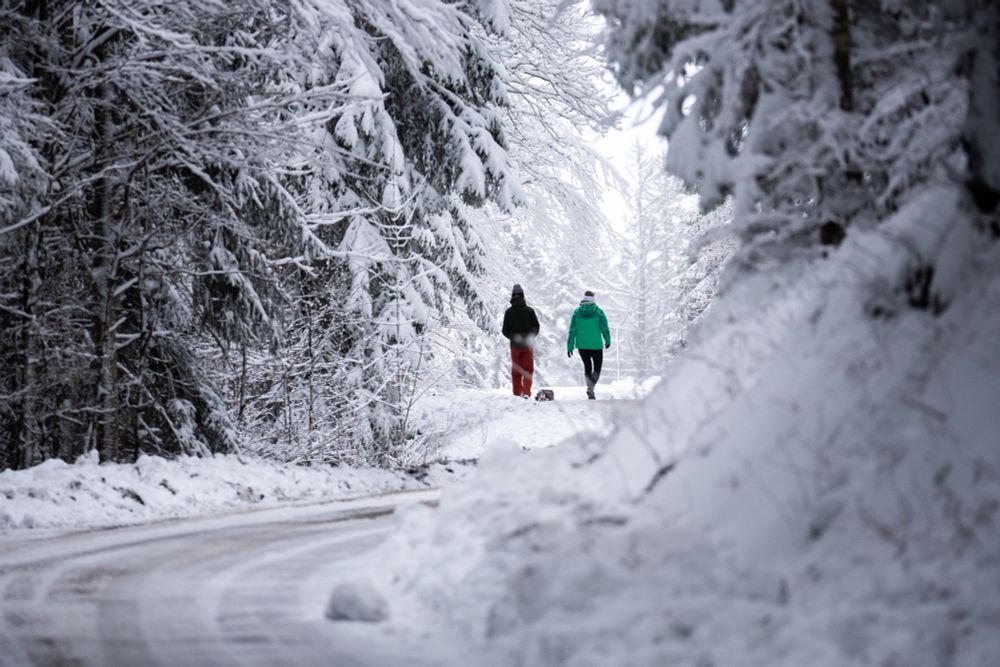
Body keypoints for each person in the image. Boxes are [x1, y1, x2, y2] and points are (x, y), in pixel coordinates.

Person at [566, 290, 611, 400]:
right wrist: (607, 340)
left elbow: (572, 330)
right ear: (593, 299)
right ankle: (591, 388)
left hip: (582, 345)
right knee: (597, 368)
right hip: (596, 345)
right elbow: (604, 328)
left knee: (587, 366)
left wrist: (570, 346)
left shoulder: (576, 312)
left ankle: (589, 387)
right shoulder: (599, 312)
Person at [501, 284, 540, 398]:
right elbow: (536, 327)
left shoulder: (509, 312)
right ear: (523, 296)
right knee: (528, 370)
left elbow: (504, 330)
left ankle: (517, 394)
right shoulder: (530, 311)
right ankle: (526, 393)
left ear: (512, 296)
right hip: (527, 345)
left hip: (515, 346)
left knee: (516, 371)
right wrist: (530, 337)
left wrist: (512, 338)